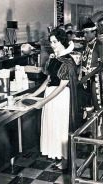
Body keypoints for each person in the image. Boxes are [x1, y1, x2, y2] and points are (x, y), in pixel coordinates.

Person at [24, 28, 78, 170]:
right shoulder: (54, 58)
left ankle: (66, 160)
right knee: (53, 126)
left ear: (62, 42)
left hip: (61, 98)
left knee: (61, 128)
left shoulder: (68, 62)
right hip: (51, 96)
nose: (52, 45)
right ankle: (60, 157)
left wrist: (43, 101)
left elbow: (61, 86)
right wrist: (34, 95)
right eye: (51, 42)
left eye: (55, 42)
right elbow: (48, 80)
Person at [78, 21, 103, 111]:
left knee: (97, 103)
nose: (84, 35)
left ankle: (99, 123)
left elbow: (102, 66)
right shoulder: (85, 44)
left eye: (87, 33)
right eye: (84, 33)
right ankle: (89, 123)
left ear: (94, 32)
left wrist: (87, 76)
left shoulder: (99, 45)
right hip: (84, 76)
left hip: (94, 77)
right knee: (86, 104)